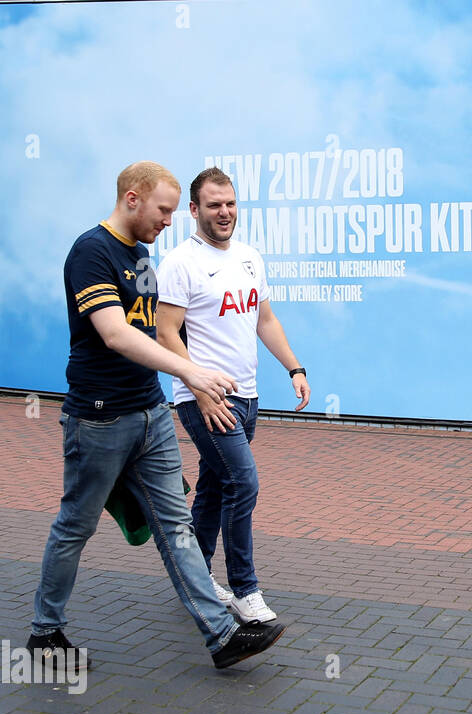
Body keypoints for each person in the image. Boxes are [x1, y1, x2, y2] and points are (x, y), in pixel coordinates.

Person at [30, 161, 285, 670]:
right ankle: (45, 630)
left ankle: (222, 635)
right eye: (164, 210)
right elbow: (116, 334)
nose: (169, 221)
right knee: (76, 526)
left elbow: (154, 331)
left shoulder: (141, 254)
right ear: (131, 199)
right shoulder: (91, 252)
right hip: (99, 420)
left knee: (177, 526)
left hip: (151, 414)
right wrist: (191, 374)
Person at [155, 168, 309, 625]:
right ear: (194, 210)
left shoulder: (248, 257)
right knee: (244, 484)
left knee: (216, 487)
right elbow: (165, 334)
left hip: (247, 396)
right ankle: (245, 589)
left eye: (231, 204)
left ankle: (196, 578)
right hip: (203, 399)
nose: (224, 213)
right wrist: (199, 388)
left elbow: (265, 320)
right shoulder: (181, 262)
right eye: (214, 204)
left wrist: (294, 368)